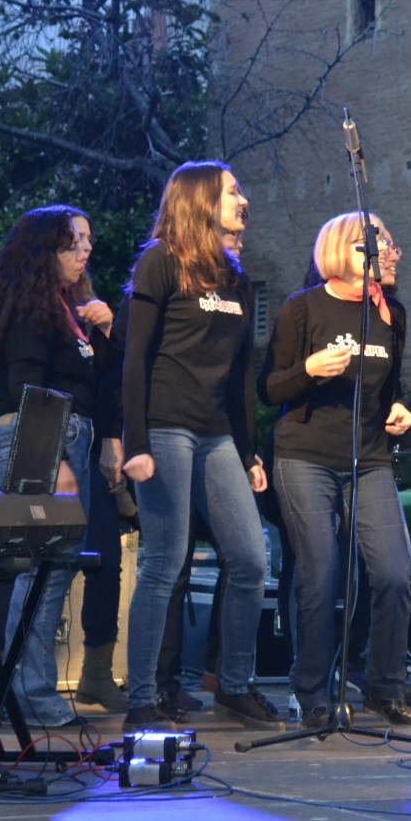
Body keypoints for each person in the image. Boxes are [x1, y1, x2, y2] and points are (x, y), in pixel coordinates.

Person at [120, 160, 276, 732]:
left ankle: (233, 686)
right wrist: (136, 442)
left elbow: (239, 377)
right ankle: (143, 699)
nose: (243, 200)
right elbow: (135, 358)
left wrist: (249, 450)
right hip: (166, 426)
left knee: (252, 559)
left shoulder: (234, 277)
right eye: (233, 191)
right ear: (200, 199)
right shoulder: (161, 261)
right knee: (164, 561)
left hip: (216, 435)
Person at [259, 212, 411, 727]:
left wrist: (400, 409)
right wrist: (308, 369)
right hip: (305, 457)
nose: (385, 248)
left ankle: (385, 687)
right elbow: (269, 388)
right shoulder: (302, 308)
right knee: (321, 575)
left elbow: (391, 388)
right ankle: (311, 692)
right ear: (339, 250)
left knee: (394, 573)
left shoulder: (391, 313)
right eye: (373, 241)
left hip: (368, 458)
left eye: (387, 240)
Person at [0, 205, 119, 728]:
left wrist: (107, 329)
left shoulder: (68, 309)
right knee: (37, 571)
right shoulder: (31, 311)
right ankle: (27, 694)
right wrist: (49, 461)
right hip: (38, 439)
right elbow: (25, 387)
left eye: (88, 240)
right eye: (73, 241)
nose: (86, 249)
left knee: (49, 571)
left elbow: (98, 385)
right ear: (42, 251)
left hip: (63, 438)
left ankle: (22, 692)